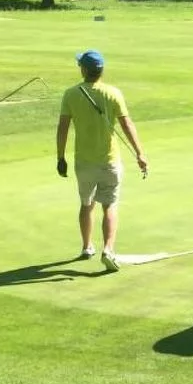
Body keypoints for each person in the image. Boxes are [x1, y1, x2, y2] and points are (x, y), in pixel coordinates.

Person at [56, 49, 148, 272]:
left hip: (84, 162)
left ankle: (87, 247)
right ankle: (108, 249)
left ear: (84, 70)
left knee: (87, 205)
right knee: (109, 206)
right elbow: (127, 125)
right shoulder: (113, 93)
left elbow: (63, 129)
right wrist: (140, 153)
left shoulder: (71, 94)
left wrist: (60, 157)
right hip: (110, 162)